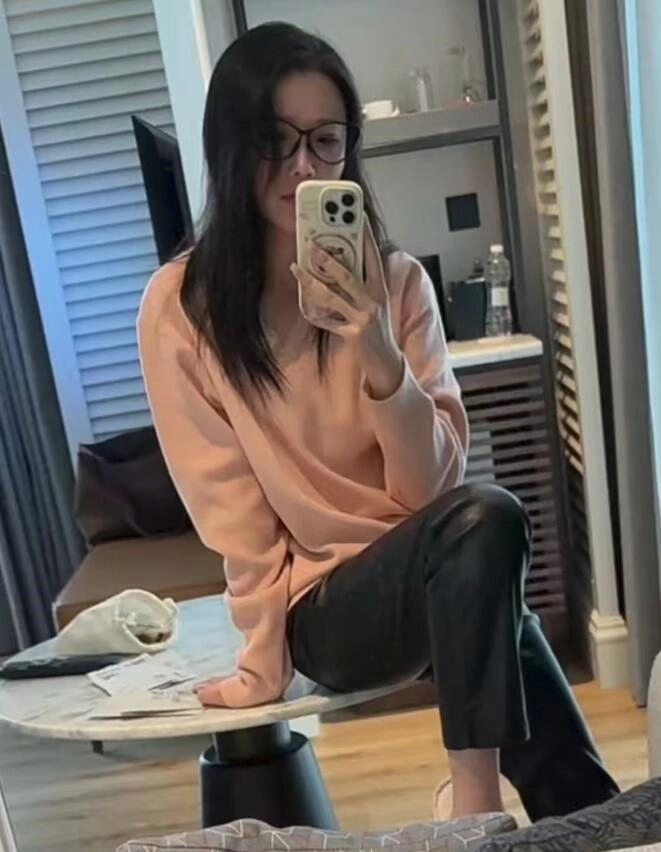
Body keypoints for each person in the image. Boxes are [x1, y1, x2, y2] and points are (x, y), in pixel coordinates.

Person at [138, 22, 618, 821]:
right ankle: (483, 811)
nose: (302, 166)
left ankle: (576, 819)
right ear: (228, 145)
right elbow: (234, 515)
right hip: (322, 609)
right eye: (274, 140)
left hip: (436, 565)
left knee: (484, 532)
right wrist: (261, 663)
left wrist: (376, 349)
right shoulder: (181, 308)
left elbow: (431, 494)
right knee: (487, 546)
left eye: (324, 140)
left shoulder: (397, 286)